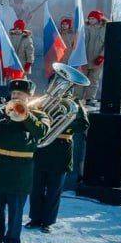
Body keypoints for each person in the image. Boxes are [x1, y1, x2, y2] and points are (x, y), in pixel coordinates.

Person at [0, 79, 50, 243]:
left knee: (16, 211)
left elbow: (41, 131)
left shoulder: (39, 114)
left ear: (29, 97)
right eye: (13, 94)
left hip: (21, 169)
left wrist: (26, 115)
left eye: (19, 94)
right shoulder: (4, 112)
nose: (15, 97)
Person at [27, 99, 88, 233]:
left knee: (54, 191)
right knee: (36, 188)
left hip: (61, 151)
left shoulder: (74, 104)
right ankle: (35, 218)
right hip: (42, 150)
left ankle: (48, 221)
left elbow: (83, 124)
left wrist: (61, 125)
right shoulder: (45, 101)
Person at [83, 10, 107, 102]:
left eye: (93, 18)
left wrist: (102, 56)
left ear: (98, 19)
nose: (90, 20)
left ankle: (90, 98)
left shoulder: (105, 29)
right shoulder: (85, 28)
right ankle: (77, 98)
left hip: (97, 59)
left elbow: (107, 44)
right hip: (85, 58)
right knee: (81, 78)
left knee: (94, 79)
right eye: (89, 18)